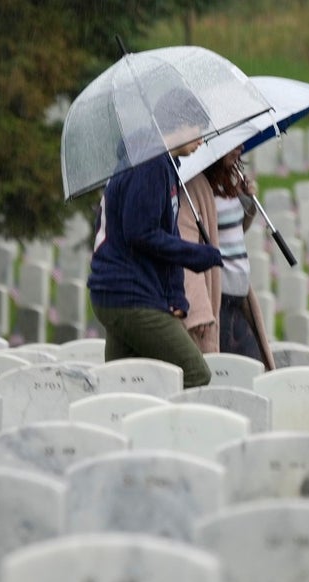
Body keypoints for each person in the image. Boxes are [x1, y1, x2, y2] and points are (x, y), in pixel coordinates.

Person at [88, 89, 223, 388]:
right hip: (129, 293)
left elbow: (165, 231)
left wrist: (175, 294)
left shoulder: (159, 160)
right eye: (197, 129)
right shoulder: (149, 162)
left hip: (122, 291)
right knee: (195, 374)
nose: (202, 139)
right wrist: (196, 255)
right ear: (178, 124)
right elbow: (142, 233)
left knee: (124, 384)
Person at [177, 144, 275, 370]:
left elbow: (233, 231)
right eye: (232, 144)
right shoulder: (194, 189)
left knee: (251, 372)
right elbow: (187, 250)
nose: (240, 147)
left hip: (240, 298)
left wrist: (246, 201)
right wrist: (199, 309)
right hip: (218, 299)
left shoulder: (229, 181)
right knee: (235, 374)